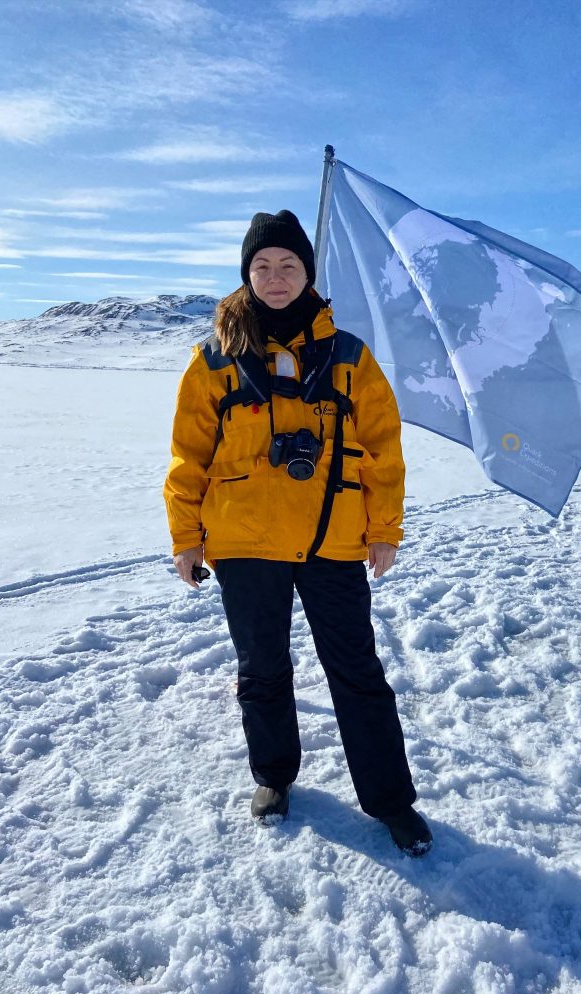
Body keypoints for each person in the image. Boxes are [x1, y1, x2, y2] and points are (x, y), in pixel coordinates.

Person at [163, 210, 432, 857]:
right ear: (246, 275)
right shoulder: (214, 362)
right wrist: (186, 536)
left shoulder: (347, 359)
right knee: (262, 669)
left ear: (308, 272)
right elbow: (188, 457)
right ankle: (275, 778)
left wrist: (384, 528)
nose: (275, 277)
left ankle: (392, 802)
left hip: (331, 541)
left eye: (288, 265)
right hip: (244, 542)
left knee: (357, 672)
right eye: (262, 266)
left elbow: (384, 450)